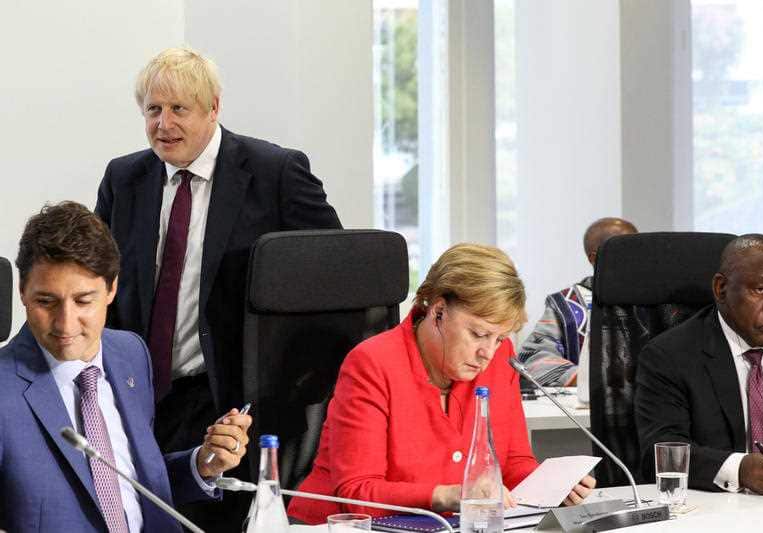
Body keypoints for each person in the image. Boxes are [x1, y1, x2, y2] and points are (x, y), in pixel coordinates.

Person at [95, 47, 341, 530]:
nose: (163, 124)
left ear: (213, 108)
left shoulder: (276, 173)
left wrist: (293, 379)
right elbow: (98, 282)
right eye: (153, 110)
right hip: (140, 395)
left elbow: (333, 281)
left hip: (233, 405)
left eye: (178, 109)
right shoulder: (124, 178)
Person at [287, 243, 595, 524]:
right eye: (478, 334)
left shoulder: (501, 359)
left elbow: (513, 462)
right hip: (337, 527)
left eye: (499, 338)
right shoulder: (371, 363)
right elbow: (355, 493)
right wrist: (447, 496)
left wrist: (553, 484)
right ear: (437, 312)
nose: (487, 352)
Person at [0, 202, 252, 532]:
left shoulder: (129, 353)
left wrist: (202, 463)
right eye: (46, 301)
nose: (65, 323)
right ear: (22, 293)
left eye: (83, 300)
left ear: (112, 289)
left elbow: (129, 481)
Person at [635, 234, 763, 494]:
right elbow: (661, 451)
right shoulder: (669, 355)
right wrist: (739, 470)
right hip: (713, 508)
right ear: (721, 289)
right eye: (761, 290)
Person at [517, 217, 637, 387]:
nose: (636, 258)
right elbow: (532, 359)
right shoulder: (566, 305)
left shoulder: (661, 301)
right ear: (595, 259)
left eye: (639, 249)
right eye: (625, 251)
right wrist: (588, 381)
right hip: (588, 409)